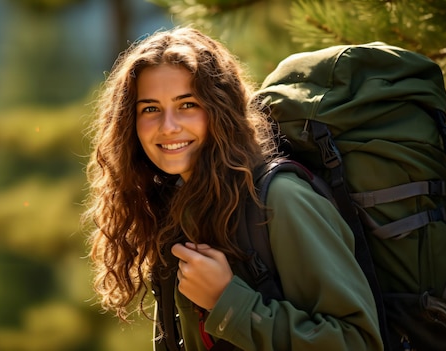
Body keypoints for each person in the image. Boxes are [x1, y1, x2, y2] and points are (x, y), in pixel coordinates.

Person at [83, 26, 383, 351]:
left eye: (188, 105)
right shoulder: (174, 211)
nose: (168, 126)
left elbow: (357, 341)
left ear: (220, 110)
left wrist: (227, 302)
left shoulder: (281, 200)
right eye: (151, 109)